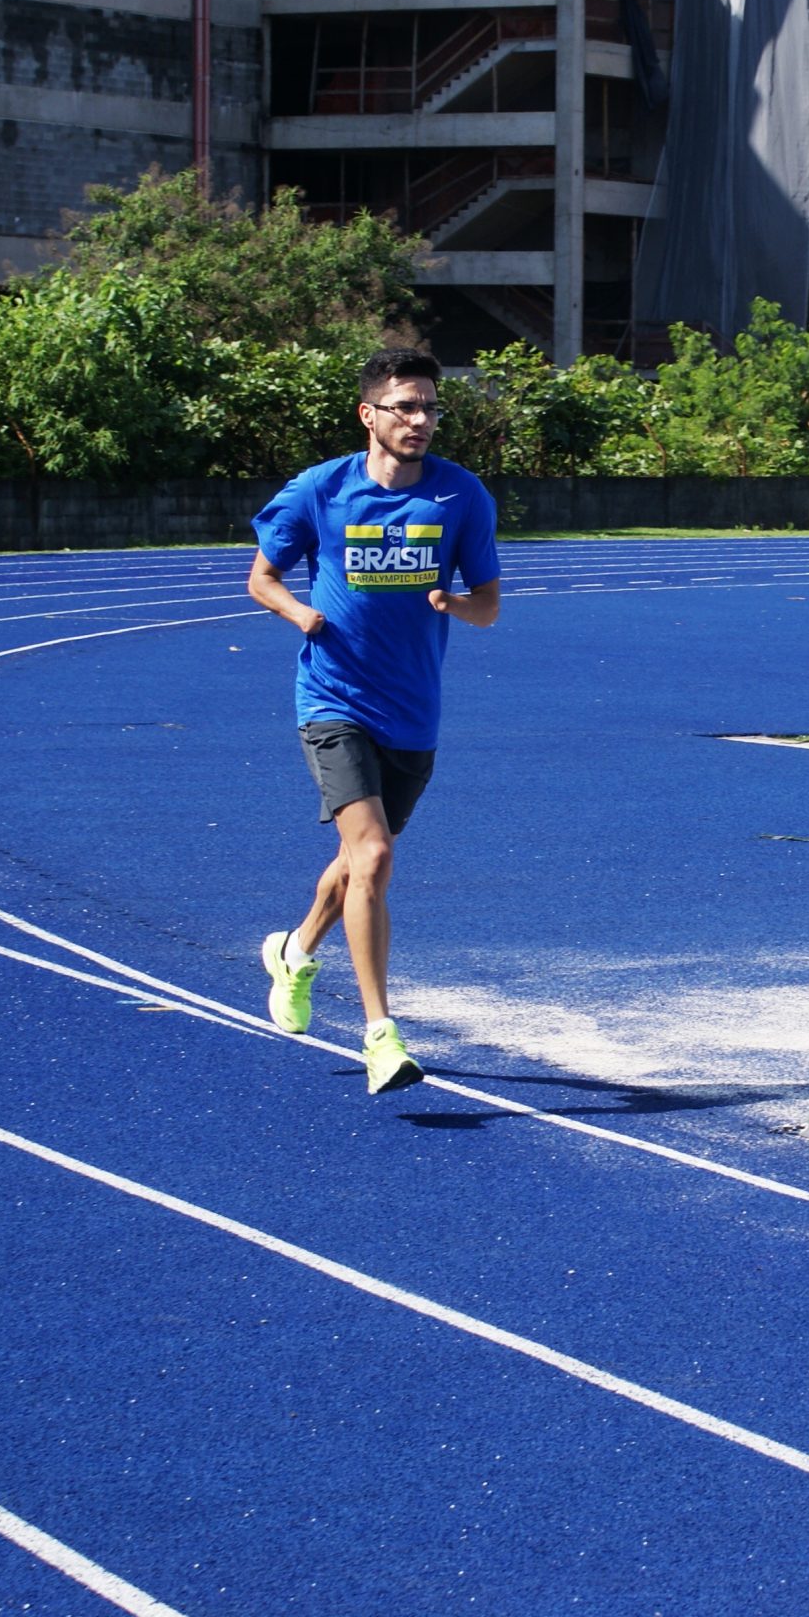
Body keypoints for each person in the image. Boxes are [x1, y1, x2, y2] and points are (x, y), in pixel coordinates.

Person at [246, 349, 501, 1094]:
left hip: (413, 709)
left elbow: (488, 604)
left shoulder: (460, 497)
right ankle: (379, 1034)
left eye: (430, 407)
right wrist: (299, 612)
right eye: (405, 407)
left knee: (362, 862)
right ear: (370, 414)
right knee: (377, 858)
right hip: (333, 699)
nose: (421, 421)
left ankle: (294, 951)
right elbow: (262, 577)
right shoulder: (321, 491)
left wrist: (455, 604)